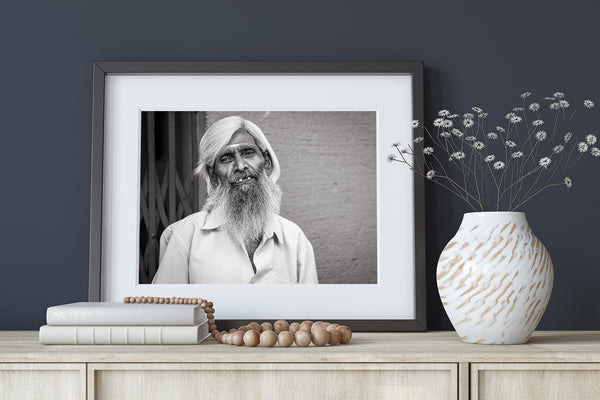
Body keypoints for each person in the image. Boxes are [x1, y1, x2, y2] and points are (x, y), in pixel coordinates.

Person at [152, 116, 318, 284]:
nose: (240, 166)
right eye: (226, 158)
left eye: (248, 153)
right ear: (213, 175)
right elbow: (170, 309)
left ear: (266, 162)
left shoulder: (294, 239)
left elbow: (309, 308)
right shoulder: (185, 236)